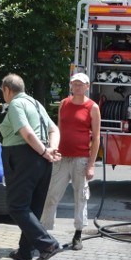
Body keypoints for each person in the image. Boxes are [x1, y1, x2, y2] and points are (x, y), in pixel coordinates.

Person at [0, 74, 62, 260]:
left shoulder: (16, 105)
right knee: (32, 207)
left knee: (16, 206)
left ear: (7, 90)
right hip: (42, 160)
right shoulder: (36, 104)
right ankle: (25, 252)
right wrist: (51, 150)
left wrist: (44, 151)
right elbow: (54, 130)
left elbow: (26, 132)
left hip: (23, 158)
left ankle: (48, 244)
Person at [40, 73, 101, 250]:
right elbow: (58, 129)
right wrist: (55, 149)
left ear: (87, 86)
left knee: (80, 197)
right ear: (71, 86)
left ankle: (78, 234)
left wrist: (91, 164)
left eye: (81, 84)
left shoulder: (92, 107)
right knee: (51, 195)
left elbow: (96, 138)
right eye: (74, 84)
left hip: (81, 159)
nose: (77, 87)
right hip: (62, 157)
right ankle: (44, 233)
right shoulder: (64, 103)